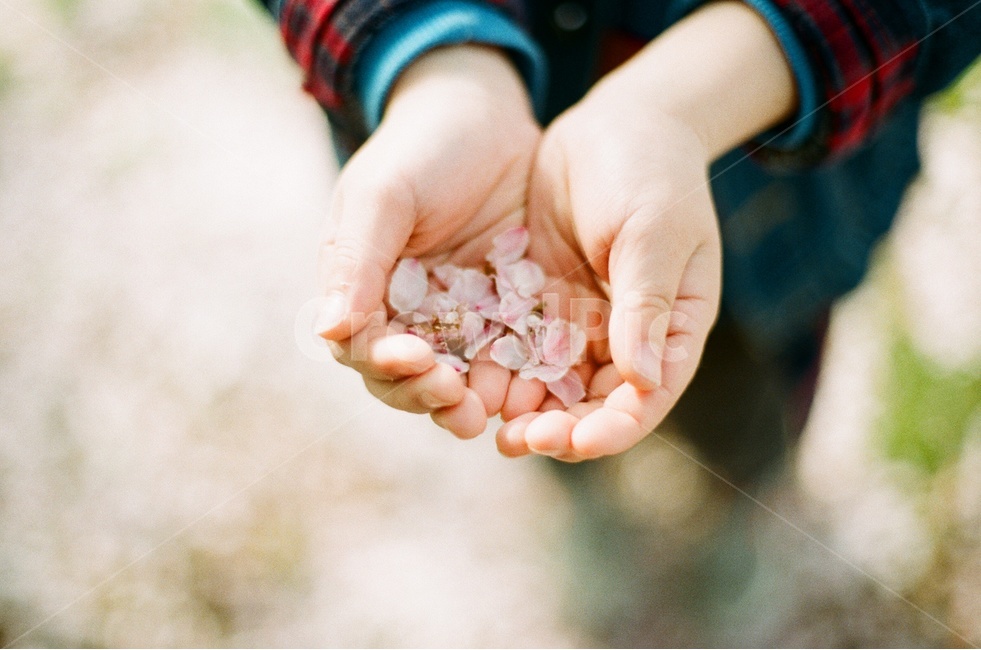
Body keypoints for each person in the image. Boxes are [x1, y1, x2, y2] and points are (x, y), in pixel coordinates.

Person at [258, 0, 980, 474]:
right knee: (537, 407)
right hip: (471, 198)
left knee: (747, 399)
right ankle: (584, 499)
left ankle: (743, 511)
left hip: (777, 199)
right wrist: (441, 66)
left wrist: (679, 107)